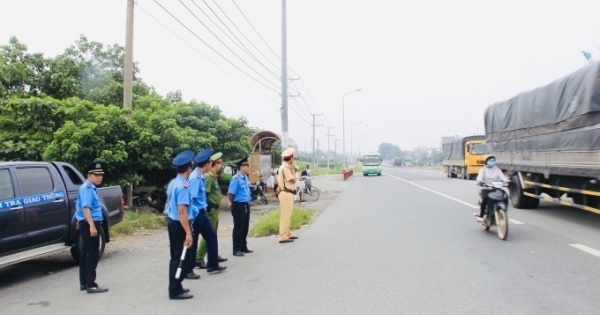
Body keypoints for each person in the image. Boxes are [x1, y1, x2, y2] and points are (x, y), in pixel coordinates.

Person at [188, 148, 226, 276]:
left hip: (202, 212)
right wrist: (192, 218)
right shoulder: (195, 178)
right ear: (207, 164)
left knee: (211, 236)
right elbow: (191, 199)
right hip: (197, 214)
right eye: (211, 162)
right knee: (193, 241)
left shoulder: (199, 176)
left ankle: (213, 265)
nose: (212, 164)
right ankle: (189, 269)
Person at [165, 150, 195, 300]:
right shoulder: (183, 186)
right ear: (189, 168)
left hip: (172, 222)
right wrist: (188, 232)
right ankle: (174, 289)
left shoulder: (173, 183)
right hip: (179, 223)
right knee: (182, 256)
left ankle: (176, 285)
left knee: (175, 255)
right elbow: (182, 211)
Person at [75, 161, 108, 293]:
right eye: (96, 175)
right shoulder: (87, 188)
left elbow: (80, 207)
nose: (99, 177)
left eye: (101, 175)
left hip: (86, 223)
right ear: (89, 175)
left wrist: (81, 221)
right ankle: (91, 285)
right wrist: (92, 226)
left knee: (85, 254)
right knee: (92, 254)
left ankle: (84, 282)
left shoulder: (89, 187)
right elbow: (86, 208)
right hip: (90, 223)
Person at [228, 156, 253, 256]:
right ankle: (236, 248)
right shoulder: (236, 179)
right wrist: (232, 202)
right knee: (238, 227)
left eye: (248, 165)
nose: (247, 167)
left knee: (245, 226)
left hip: (246, 204)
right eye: (245, 166)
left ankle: (243, 246)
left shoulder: (245, 177)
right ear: (240, 167)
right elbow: (231, 193)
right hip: (238, 205)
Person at [475, 155, 509, 221]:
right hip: (486, 188)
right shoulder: (483, 169)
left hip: (496, 188)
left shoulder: (497, 169)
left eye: (493, 161)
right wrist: (480, 181)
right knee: (485, 199)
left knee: (505, 196)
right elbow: (479, 177)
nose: (492, 162)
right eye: (490, 161)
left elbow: (502, 177)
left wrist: (507, 181)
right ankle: (481, 215)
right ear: (486, 162)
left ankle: (504, 214)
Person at [276, 148, 299, 244]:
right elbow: (292, 179)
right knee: (285, 215)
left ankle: (288, 233)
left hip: (287, 193)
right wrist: (294, 171)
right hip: (286, 192)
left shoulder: (287, 166)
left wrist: (293, 167)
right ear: (291, 157)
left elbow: (296, 168)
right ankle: (283, 236)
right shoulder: (285, 168)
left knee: (288, 215)